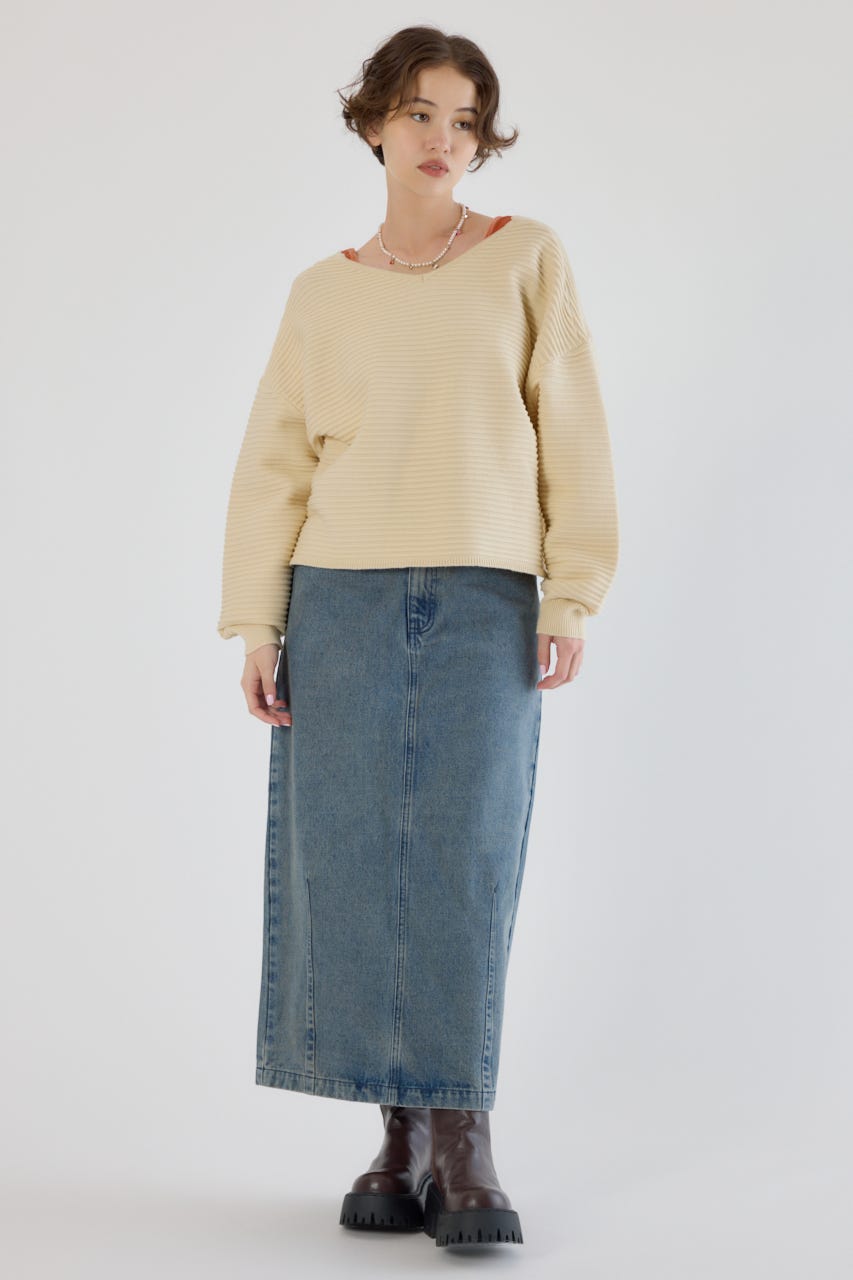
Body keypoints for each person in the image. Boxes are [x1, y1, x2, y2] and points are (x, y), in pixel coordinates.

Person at [217, 24, 619, 1250]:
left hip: (485, 594)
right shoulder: (321, 292)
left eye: (464, 120)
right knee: (344, 860)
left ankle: (462, 1133)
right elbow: (275, 462)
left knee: (462, 857)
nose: (444, 139)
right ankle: (394, 1133)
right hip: (336, 593)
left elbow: (570, 424)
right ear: (374, 123)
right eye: (420, 113)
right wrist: (258, 619)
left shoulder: (524, 257)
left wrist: (570, 589)